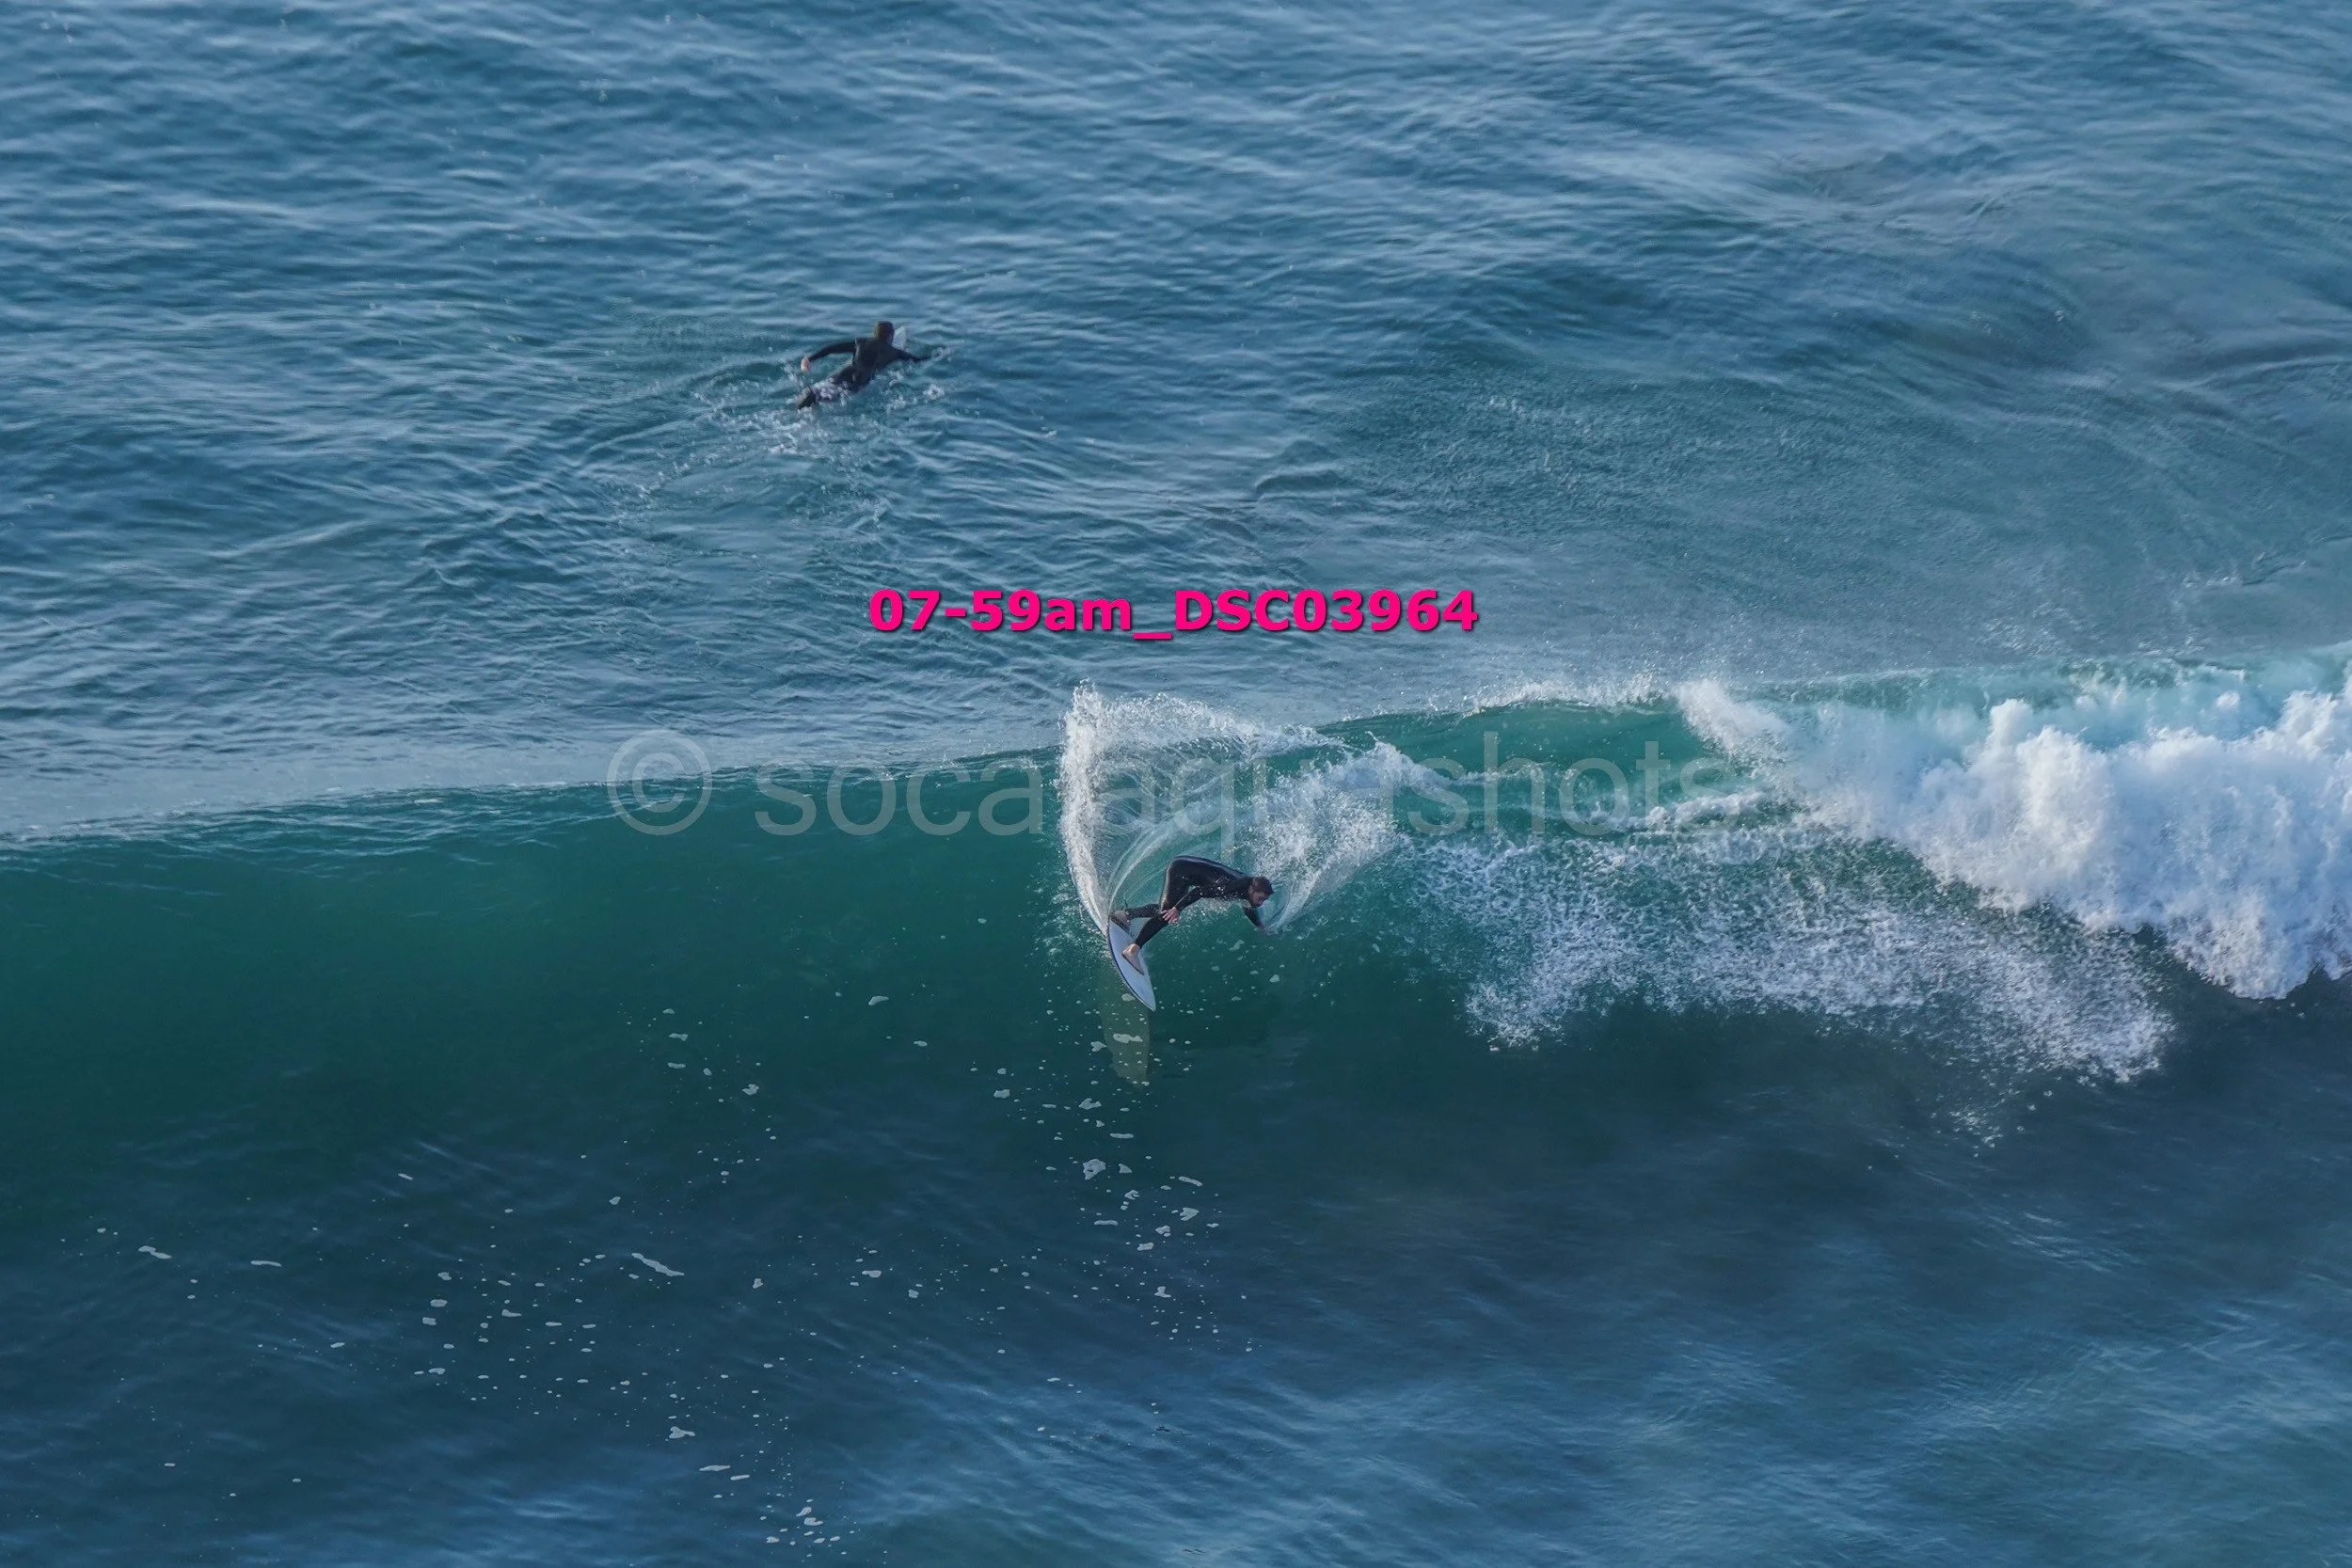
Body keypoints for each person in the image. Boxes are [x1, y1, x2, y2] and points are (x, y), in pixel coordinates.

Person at [1112, 856, 1274, 961]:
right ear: (1252, 890)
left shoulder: (1247, 887)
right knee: (1167, 914)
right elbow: (1200, 892)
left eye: (1264, 901)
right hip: (1181, 871)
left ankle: (1125, 915)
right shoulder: (1231, 887)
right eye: (1260, 899)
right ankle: (1132, 950)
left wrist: (1260, 926)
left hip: (1187, 868)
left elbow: (1248, 907)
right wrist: (1179, 909)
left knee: (1166, 909)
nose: (1261, 903)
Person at [795, 320, 928, 407]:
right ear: (890, 337)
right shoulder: (893, 352)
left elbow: (833, 348)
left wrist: (810, 358)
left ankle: (806, 402)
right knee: (835, 396)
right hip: (861, 378)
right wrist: (938, 354)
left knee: (822, 390)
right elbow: (917, 360)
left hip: (845, 372)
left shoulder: (860, 342)